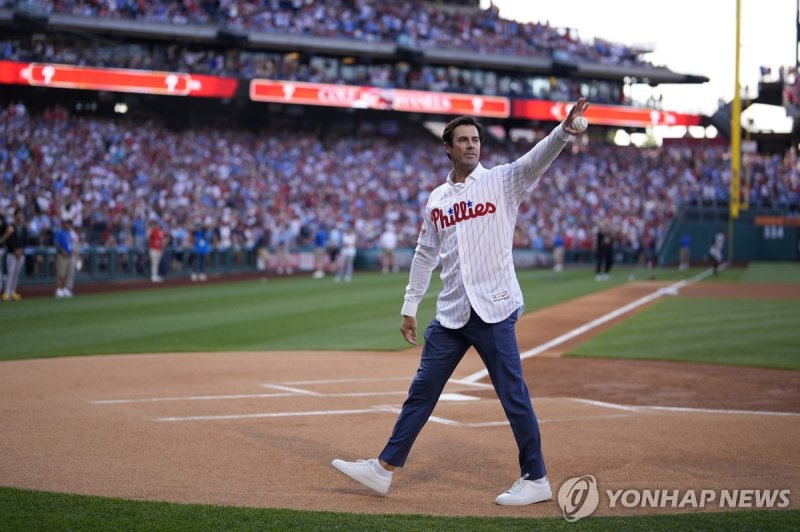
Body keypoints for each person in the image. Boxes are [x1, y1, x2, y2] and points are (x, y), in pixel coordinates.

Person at [331, 98, 590, 505]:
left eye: (475, 139)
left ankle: (536, 478)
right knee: (422, 391)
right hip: (451, 313)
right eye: (463, 140)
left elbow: (534, 160)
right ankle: (383, 470)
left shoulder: (503, 181)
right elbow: (423, 254)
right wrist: (409, 306)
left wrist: (562, 132)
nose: (471, 145)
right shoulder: (437, 199)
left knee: (512, 394)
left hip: (494, 308)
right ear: (447, 148)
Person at [1, 208, 26, 301]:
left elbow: (25, 241)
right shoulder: (11, 227)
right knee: (10, 273)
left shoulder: (23, 227)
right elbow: (8, 240)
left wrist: (21, 250)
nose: (20, 216)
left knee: (16, 273)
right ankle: (7, 292)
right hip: (11, 253)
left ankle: (13, 291)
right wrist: (14, 249)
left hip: (20, 254)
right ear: (15, 216)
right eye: (19, 214)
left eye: (21, 214)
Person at [54, 217, 74, 298]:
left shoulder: (69, 233)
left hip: (69, 255)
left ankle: (64, 288)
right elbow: (56, 244)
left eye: (69, 223)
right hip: (62, 255)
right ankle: (58, 289)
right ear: (63, 224)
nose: (68, 225)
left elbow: (70, 244)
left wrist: (71, 252)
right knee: (60, 273)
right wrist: (62, 252)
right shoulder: (60, 232)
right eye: (67, 223)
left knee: (67, 274)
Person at [147, 218, 166, 283]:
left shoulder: (161, 231)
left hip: (159, 249)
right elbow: (148, 235)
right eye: (156, 225)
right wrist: (151, 228)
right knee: (154, 262)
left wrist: (162, 249)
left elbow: (162, 241)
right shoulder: (152, 231)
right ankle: (153, 276)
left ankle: (156, 275)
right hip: (153, 249)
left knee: (157, 263)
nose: (157, 226)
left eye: (158, 225)